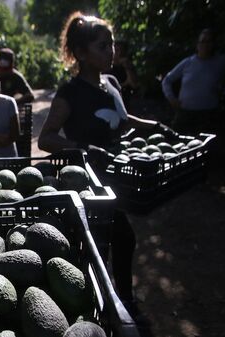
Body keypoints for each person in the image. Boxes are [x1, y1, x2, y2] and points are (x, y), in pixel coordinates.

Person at [38, 11, 174, 315]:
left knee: (120, 240)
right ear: (82, 54)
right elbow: (46, 138)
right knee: (108, 242)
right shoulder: (70, 93)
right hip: (88, 182)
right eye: (102, 46)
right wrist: (83, 148)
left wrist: (154, 126)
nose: (111, 51)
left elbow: (123, 120)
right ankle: (110, 307)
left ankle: (122, 299)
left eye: (111, 44)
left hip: (118, 176)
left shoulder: (111, 81)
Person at [161, 28, 225, 134]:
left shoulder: (221, 61)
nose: (205, 45)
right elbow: (167, 80)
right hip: (185, 113)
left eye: (209, 41)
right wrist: (171, 98)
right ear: (197, 45)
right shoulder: (188, 62)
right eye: (202, 41)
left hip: (209, 114)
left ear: (213, 44)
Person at [106, 40, 139, 109]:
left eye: (122, 51)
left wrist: (127, 67)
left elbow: (134, 84)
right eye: (117, 50)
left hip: (126, 103)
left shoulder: (127, 66)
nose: (119, 53)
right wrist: (125, 84)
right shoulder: (106, 68)